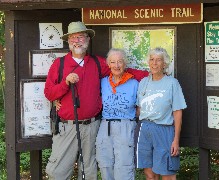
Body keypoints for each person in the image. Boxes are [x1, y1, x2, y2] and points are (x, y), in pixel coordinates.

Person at [44, 21, 148, 180]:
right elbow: (49, 93)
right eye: (73, 38)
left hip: (93, 126)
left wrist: (153, 76)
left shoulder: (97, 63)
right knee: (58, 172)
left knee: (89, 171)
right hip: (67, 126)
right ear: (68, 41)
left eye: (81, 37)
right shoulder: (60, 64)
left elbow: (121, 70)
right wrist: (65, 83)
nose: (77, 41)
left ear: (87, 40)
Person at [135, 47, 187, 180]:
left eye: (159, 60)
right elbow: (139, 109)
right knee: (150, 174)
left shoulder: (172, 83)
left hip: (164, 130)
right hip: (144, 129)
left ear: (164, 64)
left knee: (167, 174)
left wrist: (176, 140)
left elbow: (177, 112)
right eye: (152, 59)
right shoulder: (143, 82)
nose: (154, 63)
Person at [96, 48, 138, 180]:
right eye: (113, 62)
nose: (117, 65)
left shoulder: (134, 83)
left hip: (126, 126)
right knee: (105, 164)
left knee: (124, 167)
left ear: (125, 64)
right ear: (108, 65)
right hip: (105, 126)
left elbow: (140, 108)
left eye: (120, 62)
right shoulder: (102, 82)